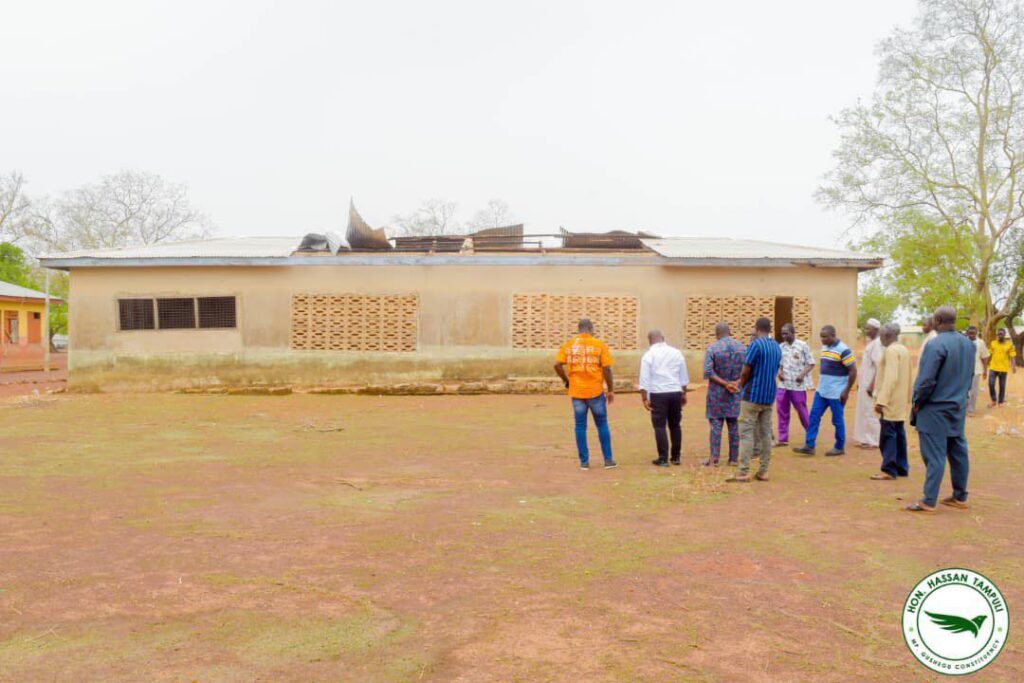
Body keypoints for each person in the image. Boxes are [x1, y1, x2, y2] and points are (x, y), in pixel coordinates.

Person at [906, 306, 975, 513]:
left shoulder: (935, 344)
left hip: (934, 408)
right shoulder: (968, 344)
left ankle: (929, 500)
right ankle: (960, 496)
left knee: (934, 455)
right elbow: (969, 376)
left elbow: (926, 380)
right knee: (957, 451)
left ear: (937, 320)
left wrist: (917, 402)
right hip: (957, 406)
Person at [554, 318, 617, 470]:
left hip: (576, 391)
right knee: (602, 424)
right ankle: (608, 460)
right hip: (595, 391)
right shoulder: (599, 345)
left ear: (579, 329)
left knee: (580, 426)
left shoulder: (569, 345)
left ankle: (584, 462)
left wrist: (566, 380)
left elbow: (557, 365)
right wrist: (610, 389)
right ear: (591, 328)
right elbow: (607, 369)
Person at [727, 317, 782, 483]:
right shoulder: (777, 347)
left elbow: (746, 370)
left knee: (746, 433)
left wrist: (739, 385)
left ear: (757, 328)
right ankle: (763, 471)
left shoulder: (755, 345)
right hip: (768, 396)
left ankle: (743, 471)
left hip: (752, 396)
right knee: (765, 433)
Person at [793, 325, 858, 456]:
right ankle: (809, 445)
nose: (822, 340)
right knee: (814, 417)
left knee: (837, 420)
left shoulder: (843, 350)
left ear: (833, 335)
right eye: (821, 337)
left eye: (825, 337)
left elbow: (853, 371)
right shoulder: (825, 347)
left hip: (836, 393)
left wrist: (846, 391)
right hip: (822, 391)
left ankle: (839, 447)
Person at [639, 330, 689, 466]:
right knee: (675, 425)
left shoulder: (648, 355)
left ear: (649, 341)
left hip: (658, 393)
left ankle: (663, 458)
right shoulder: (676, 353)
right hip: (675, 392)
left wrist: (644, 398)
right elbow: (683, 376)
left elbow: (644, 379)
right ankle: (676, 457)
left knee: (659, 426)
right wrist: (683, 393)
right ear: (663, 338)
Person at [871, 323, 911, 480]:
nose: (880, 338)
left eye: (881, 335)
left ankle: (888, 470)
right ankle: (902, 468)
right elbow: (909, 376)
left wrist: (882, 400)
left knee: (888, 436)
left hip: (890, 401)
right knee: (899, 435)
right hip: (900, 401)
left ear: (887, 335)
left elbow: (891, 377)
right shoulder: (903, 349)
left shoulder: (891, 351)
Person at [702, 322, 745, 466]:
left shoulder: (712, 349)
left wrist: (725, 384)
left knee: (716, 427)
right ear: (730, 332)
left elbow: (708, 372)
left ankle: (714, 459)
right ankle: (733, 459)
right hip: (736, 393)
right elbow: (748, 371)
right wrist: (736, 383)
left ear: (716, 334)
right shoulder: (742, 348)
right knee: (734, 426)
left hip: (717, 395)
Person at [775, 322, 814, 446]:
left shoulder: (802, 346)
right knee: (781, 411)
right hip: (783, 385)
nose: (784, 336)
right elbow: (779, 365)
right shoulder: (781, 347)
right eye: (782, 334)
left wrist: (802, 375)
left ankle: (810, 435)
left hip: (797, 386)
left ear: (793, 333)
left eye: (786, 333)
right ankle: (783, 438)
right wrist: (779, 372)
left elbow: (811, 363)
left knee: (802, 411)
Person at [854, 319, 883, 449]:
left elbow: (879, 366)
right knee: (864, 411)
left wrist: (872, 385)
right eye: (865, 328)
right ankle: (865, 438)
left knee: (871, 412)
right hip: (865, 383)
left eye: (868, 329)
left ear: (876, 330)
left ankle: (874, 440)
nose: (866, 331)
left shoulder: (877, 344)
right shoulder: (871, 343)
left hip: (871, 384)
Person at [987, 327, 1017, 407]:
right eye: (998, 334)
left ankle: (1001, 401)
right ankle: (993, 400)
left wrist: (1013, 366)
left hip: (1003, 368)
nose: (999, 335)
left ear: (1004, 335)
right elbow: (990, 354)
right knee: (991, 383)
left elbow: (1012, 356)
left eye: (1001, 334)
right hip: (993, 367)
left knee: (1002, 385)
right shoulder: (993, 343)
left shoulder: (1009, 344)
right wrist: (986, 364)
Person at [965, 325, 989, 415]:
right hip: (964, 371)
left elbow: (984, 356)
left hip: (976, 370)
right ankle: (965, 406)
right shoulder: (963, 341)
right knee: (964, 390)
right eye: (969, 333)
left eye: (973, 333)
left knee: (974, 391)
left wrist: (985, 370)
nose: (971, 335)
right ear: (967, 333)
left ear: (976, 333)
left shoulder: (980, 342)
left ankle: (971, 409)